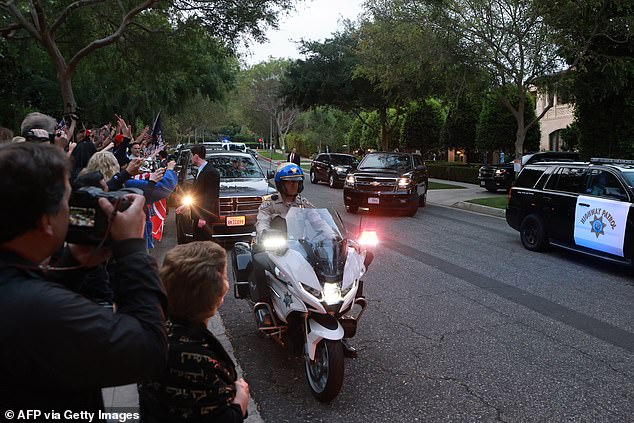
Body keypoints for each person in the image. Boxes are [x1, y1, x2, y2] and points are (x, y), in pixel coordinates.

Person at [0, 142, 168, 411]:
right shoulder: (36, 309)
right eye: (69, 201)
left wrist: (75, 263)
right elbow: (148, 351)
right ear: (45, 220)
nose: (73, 212)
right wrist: (132, 251)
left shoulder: (18, 289)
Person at [138, 241, 250, 422]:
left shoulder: (157, 333)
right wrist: (241, 398)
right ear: (218, 294)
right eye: (224, 276)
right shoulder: (198, 359)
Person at [255, 162, 357, 357]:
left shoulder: (304, 203)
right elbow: (262, 223)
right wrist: (266, 235)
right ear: (280, 184)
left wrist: (334, 237)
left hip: (300, 250)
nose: (293, 186)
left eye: (296, 182)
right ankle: (265, 308)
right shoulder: (269, 204)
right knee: (259, 260)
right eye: (289, 183)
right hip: (277, 249)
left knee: (348, 266)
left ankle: (340, 319)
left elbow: (320, 223)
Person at [176, 144, 220, 241]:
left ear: (196, 156)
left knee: (203, 245)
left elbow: (210, 197)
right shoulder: (200, 171)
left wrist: (203, 218)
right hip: (197, 214)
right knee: (197, 242)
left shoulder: (210, 172)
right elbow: (197, 195)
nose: (191, 158)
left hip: (204, 217)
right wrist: (186, 206)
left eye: (192, 156)